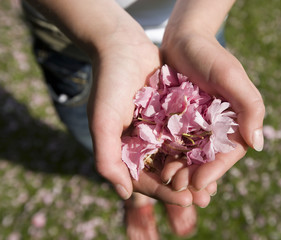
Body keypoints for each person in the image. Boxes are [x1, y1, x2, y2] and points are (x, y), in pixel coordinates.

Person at [22, 0, 265, 239]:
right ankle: (138, 198)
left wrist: (193, 29)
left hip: (198, 27)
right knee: (96, 136)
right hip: (69, 37)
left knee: (177, 178)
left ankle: (165, 186)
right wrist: (110, 38)